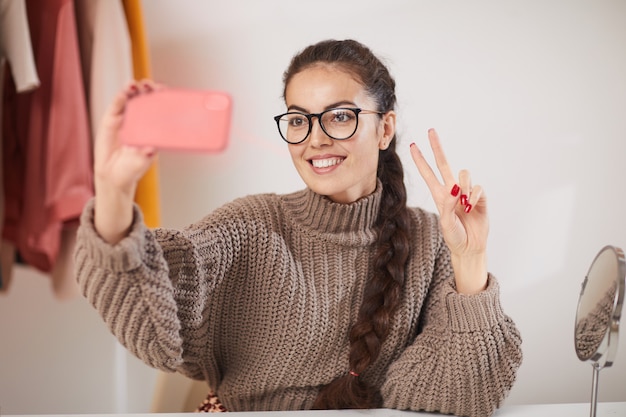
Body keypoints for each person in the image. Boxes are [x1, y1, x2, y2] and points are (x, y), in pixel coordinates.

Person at [74, 39, 522, 417]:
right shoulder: (250, 226)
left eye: (341, 116)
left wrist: (470, 259)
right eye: (298, 119)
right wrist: (113, 190)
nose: (315, 137)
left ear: (385, 129)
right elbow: (152, 307)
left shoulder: (429, 241)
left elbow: (461, 395)